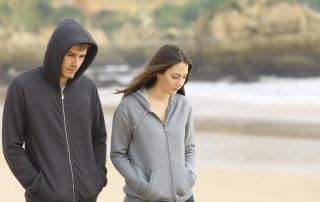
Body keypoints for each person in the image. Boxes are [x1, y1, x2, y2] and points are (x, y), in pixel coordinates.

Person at [2, 18, 107, 202]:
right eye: (70, 54)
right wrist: (37, 184)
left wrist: (97, 178)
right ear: (56, 51)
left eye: (82, 56)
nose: (76, 63)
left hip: (87, 196)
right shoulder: (23, 87)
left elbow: (98, 137)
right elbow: (12, 145)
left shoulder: (88, 87)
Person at [110, 44, 196, 202]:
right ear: (158, 72)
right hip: (144, 198)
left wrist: (189, 177)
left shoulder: (183, 105)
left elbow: (189, 148)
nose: (180, 83)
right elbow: (118, 154)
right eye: (175, 76)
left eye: (184, 77)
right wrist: (143, 186)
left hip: (185, 198)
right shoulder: (129, 107)